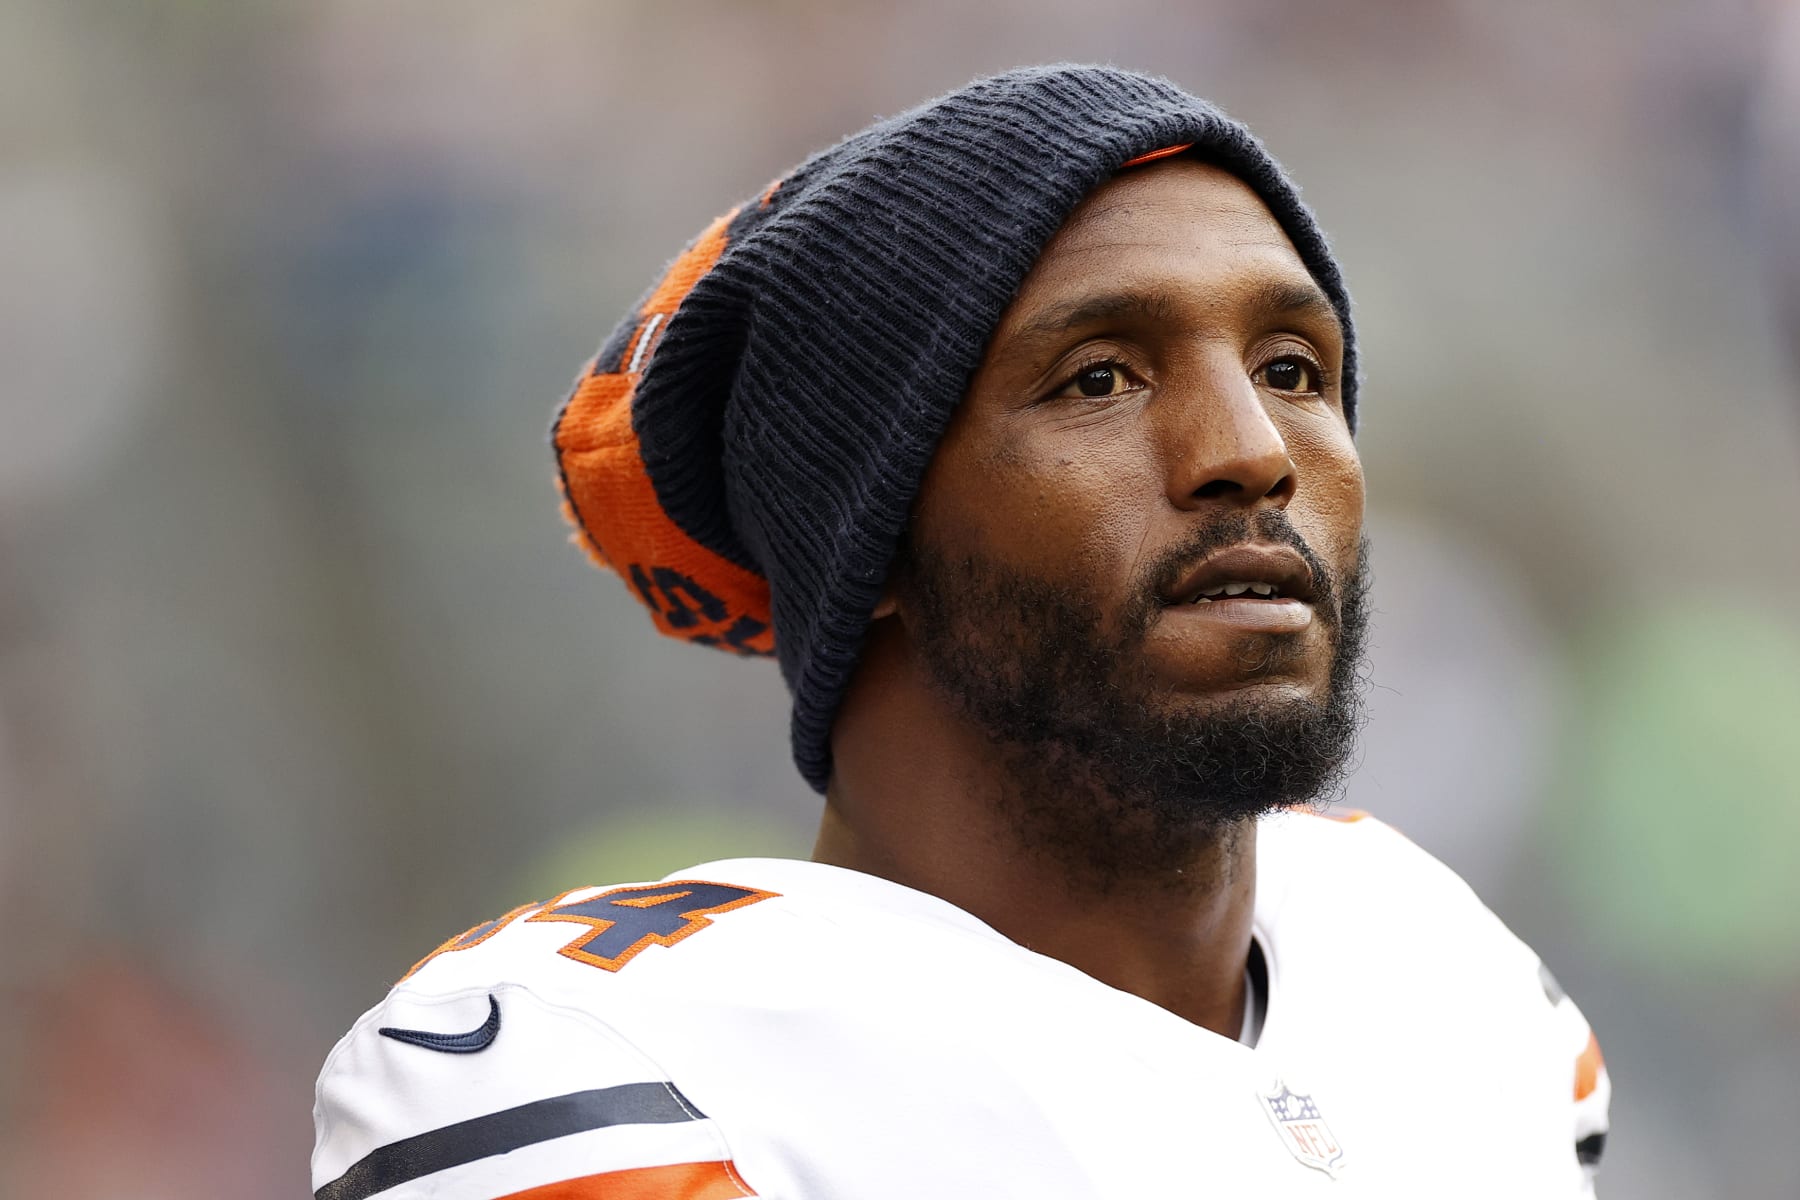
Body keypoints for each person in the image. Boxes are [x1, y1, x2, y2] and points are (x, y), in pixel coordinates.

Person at [311, 65, 1610, 1199]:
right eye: (1097, 377)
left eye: (1294, 370)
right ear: (865, 540)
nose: (1254, 453)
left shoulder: (1448, 978)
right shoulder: (609, 1068)